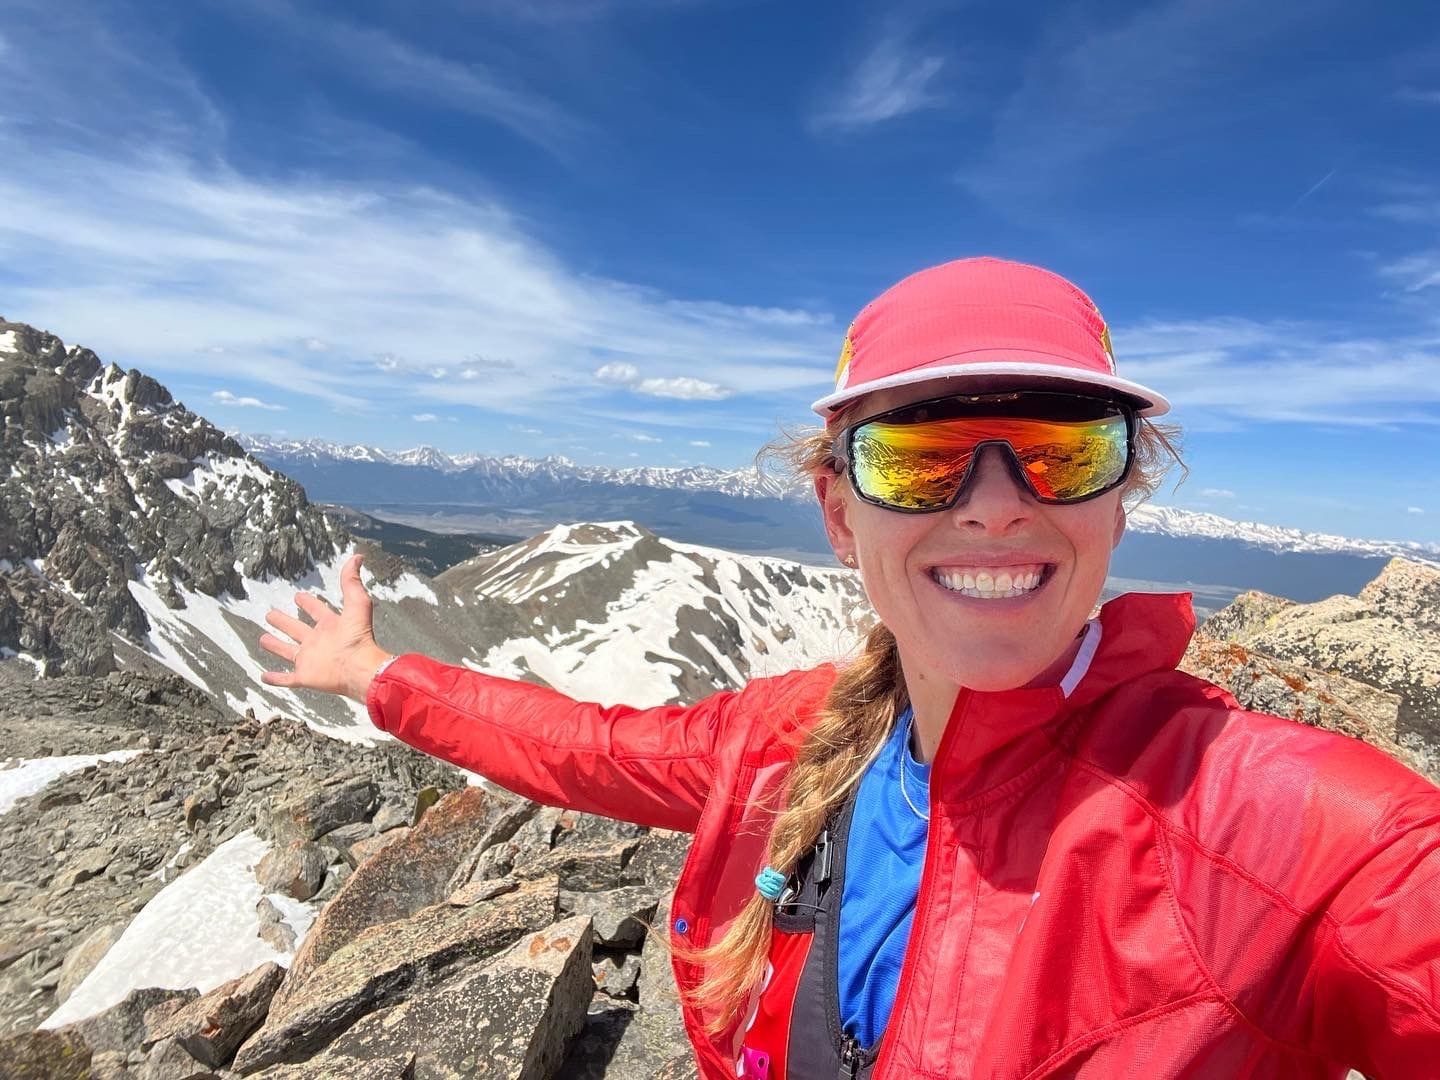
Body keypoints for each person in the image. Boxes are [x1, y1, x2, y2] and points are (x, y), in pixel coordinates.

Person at [258, 257, 1440, 1079]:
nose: (992, 509)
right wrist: (373, 672)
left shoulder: (1289, 832)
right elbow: (582, 748)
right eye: (921, 459)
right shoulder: (782, 742)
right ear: (838, 513)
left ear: (1120, 503)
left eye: (1059, 453)